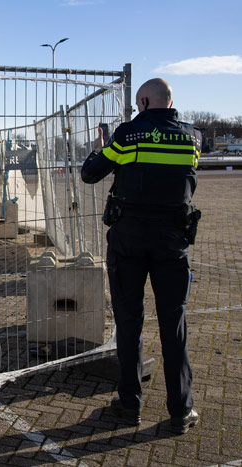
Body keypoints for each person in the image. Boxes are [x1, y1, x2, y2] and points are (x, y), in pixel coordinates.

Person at [81, 78, 202, 433]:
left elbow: (90, 174)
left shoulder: (128, 135)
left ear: (145, 103)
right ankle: (181, 410)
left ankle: (130, 405)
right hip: (173, 243)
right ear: (170, 102)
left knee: (130, 322)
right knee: (174, 326)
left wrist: (98, 148)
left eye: (138, 104)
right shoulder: (193, 138)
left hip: (129, 243)